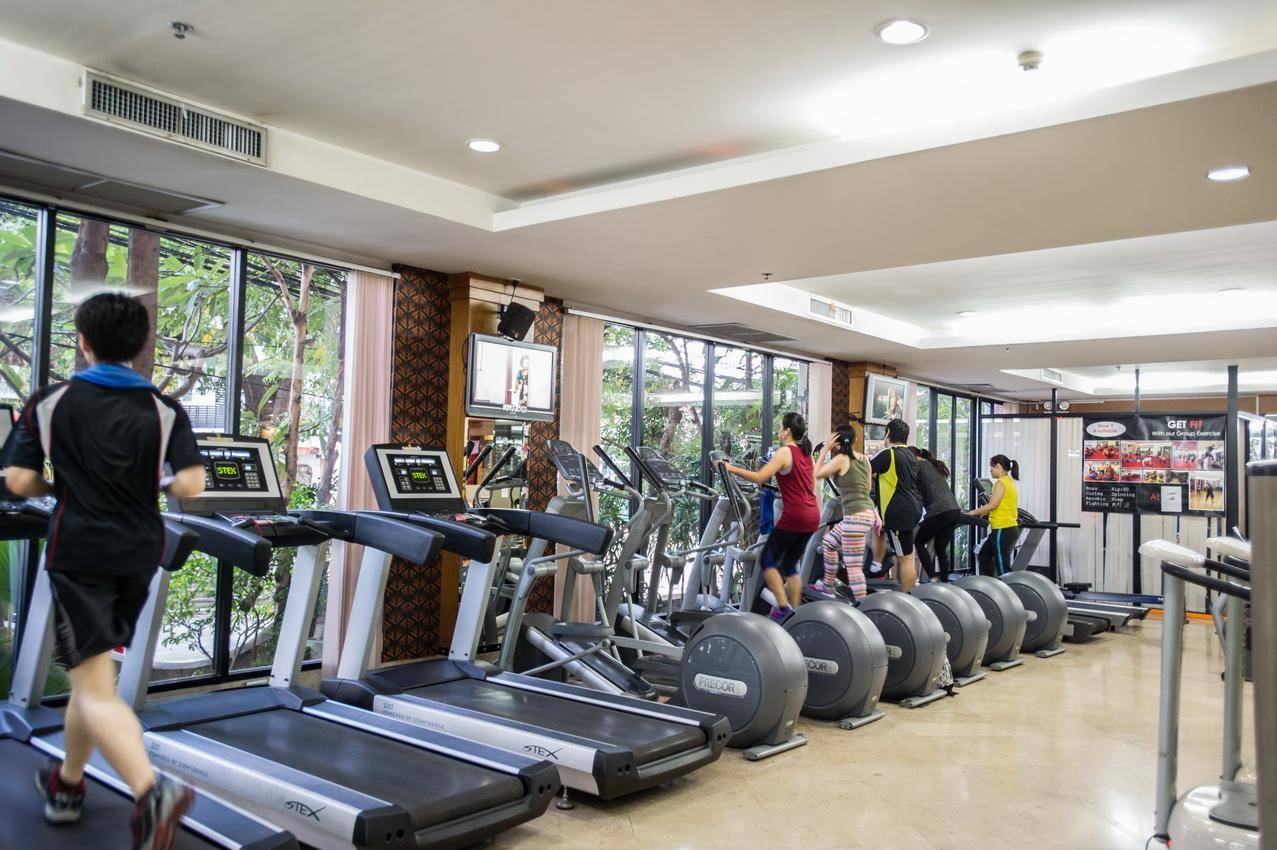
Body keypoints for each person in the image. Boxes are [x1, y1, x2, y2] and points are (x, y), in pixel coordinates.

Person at [4, 292, 207, 850]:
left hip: (80, 551)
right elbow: (191, 484)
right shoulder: (165, 409)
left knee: (92, 684)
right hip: (139, 552)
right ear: (140, 346)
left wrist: (54, 486)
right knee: (91, 678)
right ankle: (68, 784)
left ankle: (152, 790)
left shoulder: (51, 401)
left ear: (83, 342)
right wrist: (150, 482)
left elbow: (18, 481)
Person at [726, 412, 819, 621]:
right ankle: (795, 618)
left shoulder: (785, 452)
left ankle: (784, 608)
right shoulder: (806, 454)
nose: (778, 430)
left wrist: (730, 468)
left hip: (795, 515)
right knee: (789, 566)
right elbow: (809, 484)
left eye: (780, 427)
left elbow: (760, 477)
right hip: (812, 515)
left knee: (767, 561)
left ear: (787, 431)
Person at [812, 423, 877, 600]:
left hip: (855, 516)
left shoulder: (841, 459)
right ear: (854, 440)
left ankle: (863, 607)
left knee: (853, 567)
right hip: (867, 513)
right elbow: (867, 487)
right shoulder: (864, 459)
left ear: (836, 443)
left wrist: (825, 450)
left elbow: (816, 474)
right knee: (829, 542)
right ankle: (828, 585)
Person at [869, 418, 924, 591]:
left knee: (905, 559)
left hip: (898, 512)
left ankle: (908, 597)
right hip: (913, 509)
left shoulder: (889, 454)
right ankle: (876, 564)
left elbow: (865, 469)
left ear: (888, 434)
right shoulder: (911, 455)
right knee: (879, 527)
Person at [909, 447, 963, 579]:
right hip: (953, 510)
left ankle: (932, 577)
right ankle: (944, 580)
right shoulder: (930, 465)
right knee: (940, 547)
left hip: (939, 510)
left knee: (919, 542)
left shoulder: (918, 464)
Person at [968, 454, 1020, 575]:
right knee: (984, 555)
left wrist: (971, 513)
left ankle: (1006, 586)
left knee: (1003, 568)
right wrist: (983, 512)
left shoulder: (1000, 483)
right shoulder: (1008, 482)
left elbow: (992, 505)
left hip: (1003, 529)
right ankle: (989, 584)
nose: (990, 470)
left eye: (992, 467)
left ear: (999, 466)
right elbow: (998, 505)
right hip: (1006, 528)